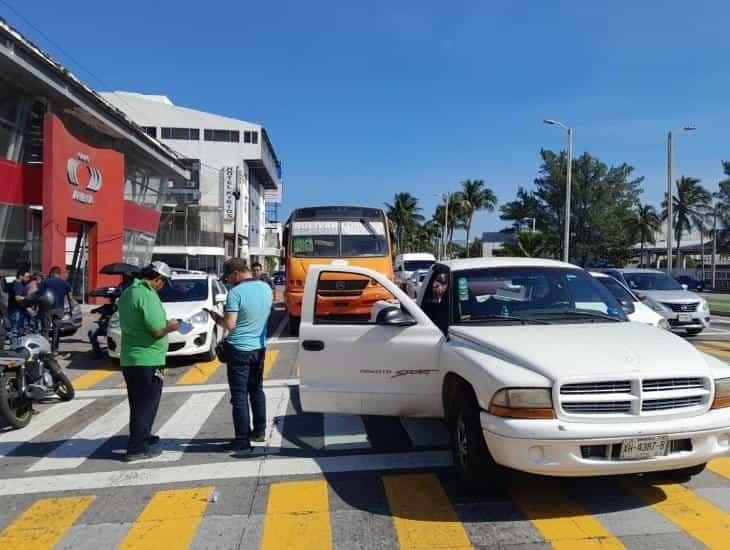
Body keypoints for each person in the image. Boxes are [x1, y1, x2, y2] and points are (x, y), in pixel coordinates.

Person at [118, 261, 179, 462]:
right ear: (157, 279)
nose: (163, 287)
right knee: (147, 404)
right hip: (148, 358)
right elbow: (156, 331)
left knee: (138, 402)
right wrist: (171, 327)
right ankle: (138, 448)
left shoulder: (128, 292)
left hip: (130, 358)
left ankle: (142, 436)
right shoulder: (147, 295)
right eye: (163, 283)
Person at [210, 258, 273, 454]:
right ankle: (260, 431)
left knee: (239, 396)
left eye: (229, 278)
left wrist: (216, 318)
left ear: (236, 273)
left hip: (239, 350)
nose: (229, 282)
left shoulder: (235, 293)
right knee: (256, 390)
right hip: (259, 347)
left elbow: (230, 324)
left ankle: (242, 439)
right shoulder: (266, 288)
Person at [421, 271, 450, 335]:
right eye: (436, 285)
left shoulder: (452, 302)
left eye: (444, 283)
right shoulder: (428, 304)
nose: (440, 287)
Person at [7, 269, 30, 343]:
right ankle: (15, 346)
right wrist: (27, 298)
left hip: (16, 309)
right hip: (16, 310)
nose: (28, 278)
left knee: (19, 329)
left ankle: (17, 346)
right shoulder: (18, 284)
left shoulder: (17, 283)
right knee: (15, 329)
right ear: (20, 276)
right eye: (26, 277)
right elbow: (17, 297)